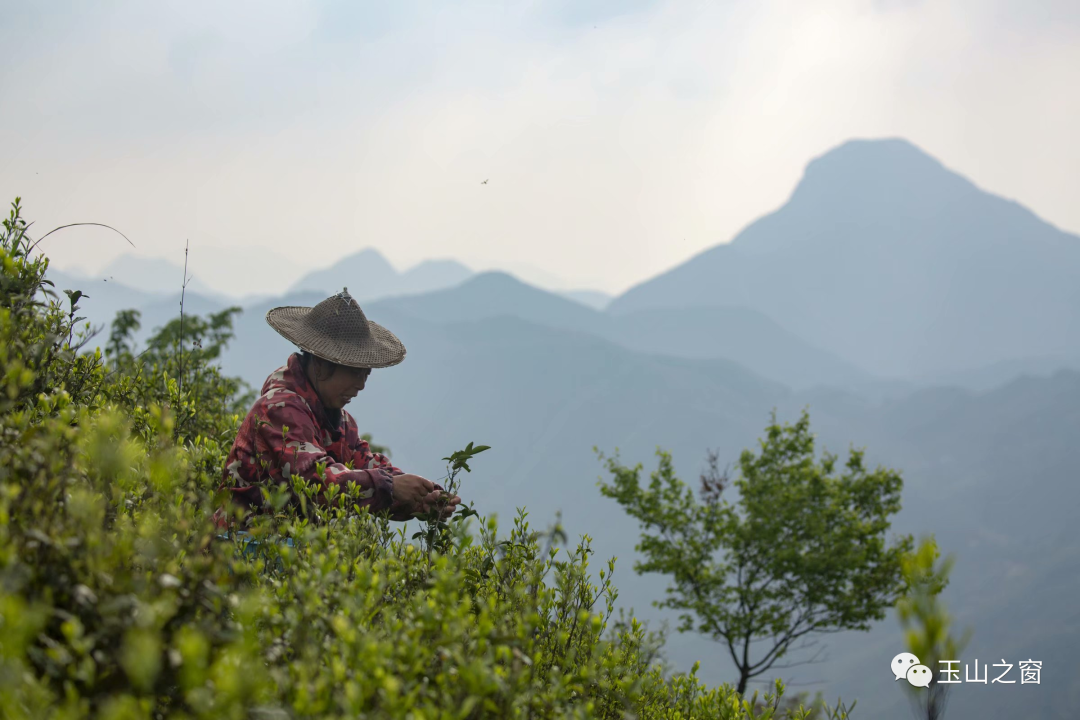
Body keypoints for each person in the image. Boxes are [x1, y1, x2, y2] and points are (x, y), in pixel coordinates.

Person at [220, 288, 459, 524]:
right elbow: (316, 481)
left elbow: (362, 464)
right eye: (354, 372)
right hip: (238, 548)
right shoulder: (279, 409)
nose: (361, 385)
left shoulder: (338, 421)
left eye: (365, 374)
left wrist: (417, 497)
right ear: (321, 365)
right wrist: (391, 487)